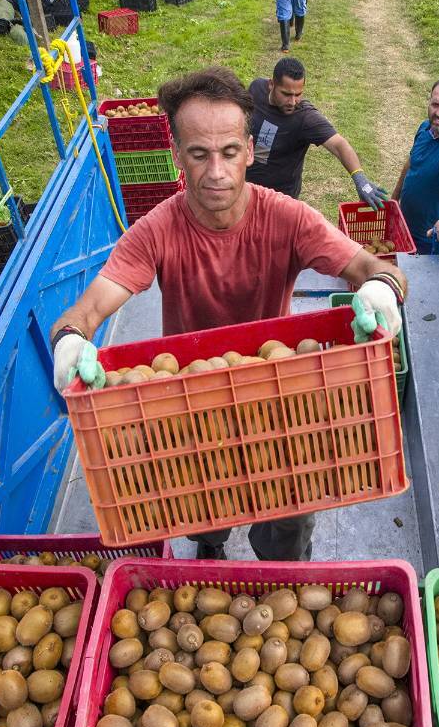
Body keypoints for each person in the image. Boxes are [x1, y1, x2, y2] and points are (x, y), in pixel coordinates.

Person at [49, 67, 406, 561]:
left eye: (229, 152)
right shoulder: (157, 230)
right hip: (192, 400)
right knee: (201, 507)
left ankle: (284, 573)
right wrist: (70, 340)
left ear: (250, 151)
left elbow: (371, 265)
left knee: (289, 518)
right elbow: (87, 310)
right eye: (199, 154)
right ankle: (210, 545)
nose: (216, 171)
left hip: (276, 397)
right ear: (177, 155)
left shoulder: (287, 217)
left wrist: (382, 289)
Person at [246, 57, 387, 208]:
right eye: (286, 94)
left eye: (298, 94)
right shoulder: (256, 89)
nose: (293, 102)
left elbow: (339, 145)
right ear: (271, 84)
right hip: (246, 187)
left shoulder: (305, 118)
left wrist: (361, 180)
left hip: (279, 200)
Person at [391, 77, 439, 256]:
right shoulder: (425, 127)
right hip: (403, 227)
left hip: (426, 241)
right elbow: (411, 164)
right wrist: (394, 200)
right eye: (435, 104)